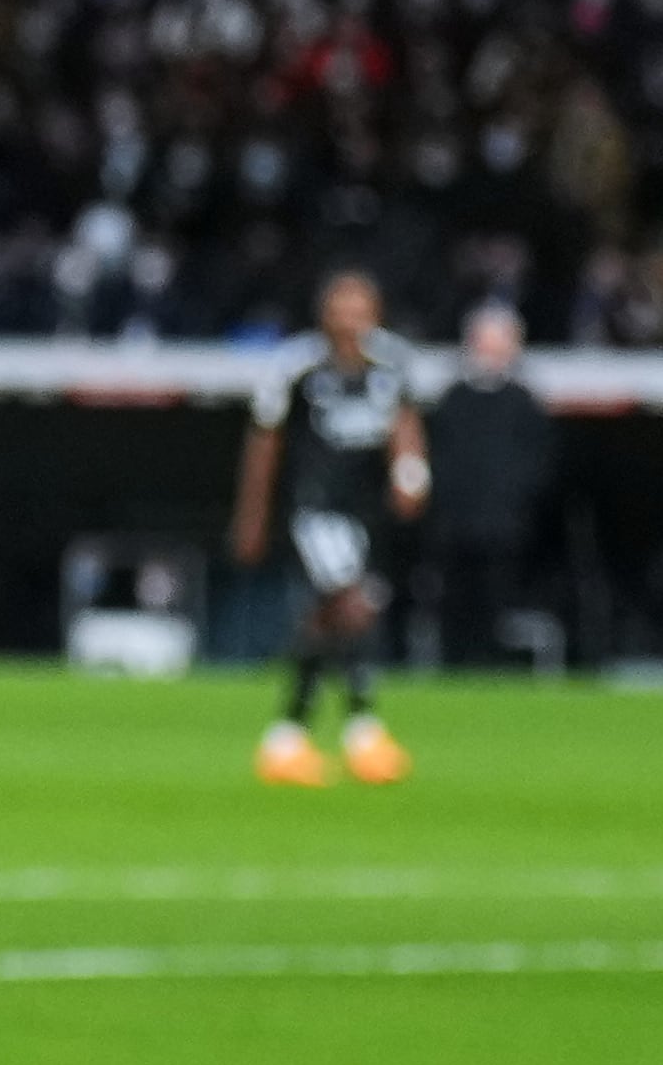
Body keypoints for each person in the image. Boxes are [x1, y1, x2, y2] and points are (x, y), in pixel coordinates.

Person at [232, 267, 426, 784]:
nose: (351, 317)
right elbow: (265, 441)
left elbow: (405, 426)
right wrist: (252, 516)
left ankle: (287, 738)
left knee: (325, 623)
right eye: (342, 306)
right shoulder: (298, 368)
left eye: (360, 307)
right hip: (316, 511)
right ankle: (364, 731)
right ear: (325, 313)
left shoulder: (391, 365)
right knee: (352, 607)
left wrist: (411, 473)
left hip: (367, 516)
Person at [425, 300, 555, 674]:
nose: (492, 351)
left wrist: (515, 504)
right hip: (455, 528)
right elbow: (439, 459)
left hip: (506, 530)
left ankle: (494, 667)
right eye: (485, 342)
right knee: (455, 604)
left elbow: (539, 464)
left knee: (498, 605)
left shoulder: (524, 403)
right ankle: (455, 667)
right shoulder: (453, 400)